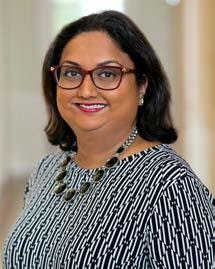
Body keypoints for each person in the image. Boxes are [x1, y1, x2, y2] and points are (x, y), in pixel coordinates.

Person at [3, 10, 213, 269]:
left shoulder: (170, 185)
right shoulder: (45, 172)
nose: (86, 90)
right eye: (71, 73)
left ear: (142, 85)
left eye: (107, 74)